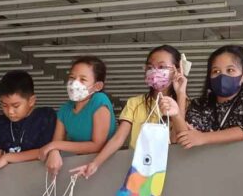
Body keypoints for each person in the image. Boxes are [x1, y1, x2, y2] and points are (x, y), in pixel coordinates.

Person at [71, 45, 182, 179]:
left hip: (172, 171)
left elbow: (179, 138)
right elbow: (118, 138)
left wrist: (181, 94)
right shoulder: (134, 103)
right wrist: (95, 163)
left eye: (161, 66)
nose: (154, 71)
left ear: (177, 70)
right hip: (139, 172)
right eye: (150, 67)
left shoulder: (185, 103)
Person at [0, 70, 57, 180]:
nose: (10, 111)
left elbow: (45, 151)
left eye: (16, 106)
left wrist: (7, 157)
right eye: (4, 105)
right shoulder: (1, 122)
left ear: (31, 101)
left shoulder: (45, 116)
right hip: (12, 181)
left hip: (41, 178)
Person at [176, 44, 243, 148]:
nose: (222, 76)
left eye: (230, 70)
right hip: (206, 158)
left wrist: (203, 137)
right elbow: (186, 137)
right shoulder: (199, 104)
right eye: (216, 71)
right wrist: (181, 94)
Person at [40, 56, 116, 175]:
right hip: (81, 166)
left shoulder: (99, 100)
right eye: (72, 78)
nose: (75, 83)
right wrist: (54, 150)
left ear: (97, 86)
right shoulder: (65, 109)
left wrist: (54, 145)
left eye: (82, 79)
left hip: (107, 166)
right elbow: (56, 143)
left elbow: (97, 145)